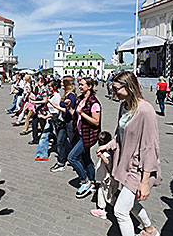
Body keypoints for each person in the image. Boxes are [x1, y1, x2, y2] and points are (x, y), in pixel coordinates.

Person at [97, 71, 161, 236]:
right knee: (130, 203)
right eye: (113, 88)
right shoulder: (123, 105)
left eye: (116, 88)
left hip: (138, 169)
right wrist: (108, 146)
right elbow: (119, 135)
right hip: (123, 164)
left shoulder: (145, 110)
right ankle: (150, 230)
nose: (114, 92)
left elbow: (150, 147)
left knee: (120, 211)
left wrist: (145, 181)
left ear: (129, 87)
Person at [66, 77, 101, 198]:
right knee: (86, 158)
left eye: (82, 85)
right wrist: (70, 108)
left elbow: (96, 122)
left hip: (88, 135)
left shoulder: (94, 103)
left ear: (89, 86)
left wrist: (82, 113)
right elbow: (76, 115)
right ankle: (92, 181)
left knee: (72, 157)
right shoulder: (80, 99)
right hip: (80, 133)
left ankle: (84, 180)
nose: (79, 87)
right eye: (79, 84)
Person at [48, 76, 77, 172]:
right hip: (64, 122)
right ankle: (61, 162)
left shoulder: (71, 95)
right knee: (60, 141)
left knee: (73, 142)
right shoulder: (66, 94)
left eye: (62, 82)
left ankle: (78, 161)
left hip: (69, 122)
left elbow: (69, 111)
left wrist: (54, 105)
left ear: (66, 84)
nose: (60, 84)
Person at [90, 131, 117, 220]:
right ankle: (102, 209)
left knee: (108, 197)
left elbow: (107, 162)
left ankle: (119, 207)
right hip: (108, 179)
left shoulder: (106, 154)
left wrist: (101, 155)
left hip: (107, 179)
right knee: (101, 191)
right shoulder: (112, 151)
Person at [28, 77, 49, 145]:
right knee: (34, 124)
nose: (37, 83)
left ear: (42, 83)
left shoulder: (44, 90)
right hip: (37, 111)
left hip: (42, 111)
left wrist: (35, 102)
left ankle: (49, 138)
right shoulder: (40, 90)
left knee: (43, 126)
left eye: (39, 82)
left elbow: (45, 100)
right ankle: (35, 139)